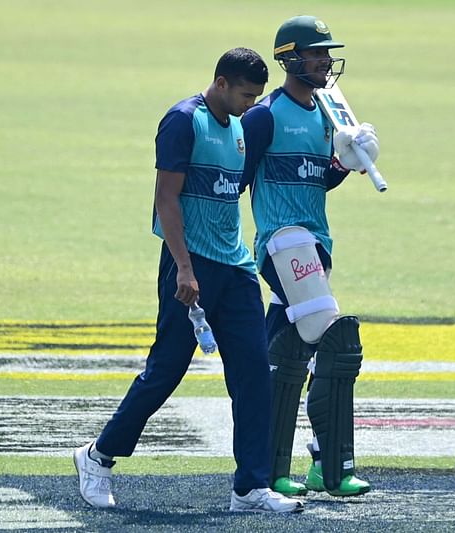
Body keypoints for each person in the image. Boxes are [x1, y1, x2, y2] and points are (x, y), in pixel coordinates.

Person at [72, 48, 303, 513]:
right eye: (244, 94)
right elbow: (166, 199)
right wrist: (183, 267)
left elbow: (229, 193)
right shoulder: (183, 120)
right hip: (191, 266)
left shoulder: (240, 125)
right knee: (166, 371)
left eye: (257, 97)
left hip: (235, 270)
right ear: (220, 82)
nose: (250, 104)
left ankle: (250, 487)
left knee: (255, 373)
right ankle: (97, 458)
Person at [240, 15, 379, 497]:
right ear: (290, 58)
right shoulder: (264, 116)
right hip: (282, 242)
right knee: (335, 341)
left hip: (317, 242)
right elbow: (234, 179)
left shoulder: (326, 113)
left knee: (278, 356)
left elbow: (318, 178)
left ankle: (268, 467)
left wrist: (346, 160)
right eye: (316, 52)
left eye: (326, 52)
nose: (324, 60)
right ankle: (331, 466)